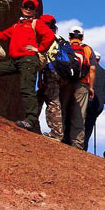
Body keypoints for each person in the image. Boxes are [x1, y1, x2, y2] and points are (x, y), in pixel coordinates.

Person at [0, 0, 55, 130]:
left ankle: (30, 120)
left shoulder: (36, 23)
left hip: (28, 60)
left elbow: (50, 36)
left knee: (26, 89)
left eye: (31, 8)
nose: (28, 9)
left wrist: (40, 49)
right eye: (26, 7)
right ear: (21, 8)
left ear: (35, 11)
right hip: (15, 61)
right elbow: (1, 36)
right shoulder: (16, 25)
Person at [59, 26, 96, 150]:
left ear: (69, 36)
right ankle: (77, 144)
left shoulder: (64, 46)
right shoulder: (87, 49)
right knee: (79, 115)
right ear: (82, 37)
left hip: (65, 82)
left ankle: (59, 136)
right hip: (82, 84)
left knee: (62, 109)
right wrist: (91, 87)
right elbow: (92, 69)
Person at [36, 14, 65, 142]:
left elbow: (44, 58)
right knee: (41, 96)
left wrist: (41, 77)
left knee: (53, 101)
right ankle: (32, 122)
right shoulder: (60, 39)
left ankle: (57, 133)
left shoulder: (48, 38)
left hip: (50, 72)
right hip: (58, 74)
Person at [84, 51, 105, 151]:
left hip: (85, 100)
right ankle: (84, 147)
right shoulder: (104, 73)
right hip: (97, 105)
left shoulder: (87, 69)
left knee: (78, 122)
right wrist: (103, 101)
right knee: (89, 126)